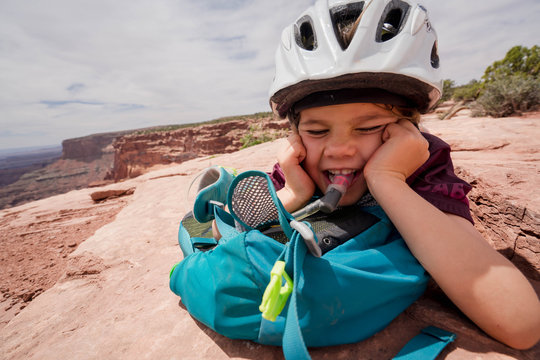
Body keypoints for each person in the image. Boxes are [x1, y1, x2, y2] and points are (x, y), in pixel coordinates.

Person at [264, 0, 540, 350]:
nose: (339, 150)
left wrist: (388, 180)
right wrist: (292, 193)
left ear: (407, 131)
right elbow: (218, 228)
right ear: (296, 135)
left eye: (369, 127)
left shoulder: (425, 163)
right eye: (318, 132)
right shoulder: (297, 165)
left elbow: (521, 323)